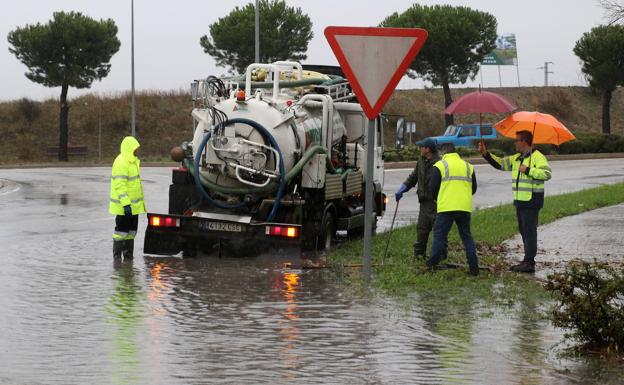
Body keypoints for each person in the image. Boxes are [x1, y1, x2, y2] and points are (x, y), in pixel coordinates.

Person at [478, 131, 551, 273]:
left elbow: (547, 174)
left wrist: (529, 170)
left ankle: (529, 262)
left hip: (532, 200)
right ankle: (527, 260)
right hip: (520, 200)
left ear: (524, 142)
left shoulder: (537, 157)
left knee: (529, 231)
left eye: (517, 140)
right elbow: (500, 164)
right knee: (524, 230)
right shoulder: (517, 158)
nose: (515, 143)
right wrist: (486, 154)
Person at [427, 143, 479, 276]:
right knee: (466, 237)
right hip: (464, 207)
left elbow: (433, 189)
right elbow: (473, 189)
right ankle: (474, 268)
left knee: (439, 236)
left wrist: (439, 198)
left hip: (446, 208)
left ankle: (432, 265)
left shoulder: (440, 165)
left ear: (443, 153)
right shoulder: (468, 166)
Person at [394, 137, 446, 260]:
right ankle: (419, 255)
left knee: (439, 231)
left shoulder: (440, 163)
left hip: (436, 203)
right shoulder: (421, 161)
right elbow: (413, 177)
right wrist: (403, 188)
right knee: (422, 230)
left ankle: (442, 255)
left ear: (427, 149)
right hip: (423, 203)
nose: (419, 149)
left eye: (421, 147)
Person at [109, 136, 146, 261]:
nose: (137, 151)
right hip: (124, 207)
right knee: (121, 232)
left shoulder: (133, 161)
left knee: (131, 233)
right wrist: (126, 205)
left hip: (133, 207)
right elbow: (120, 186)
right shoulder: (121, 162)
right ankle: (117, 259)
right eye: (136, 149)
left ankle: (128, 257)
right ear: (130, 149)